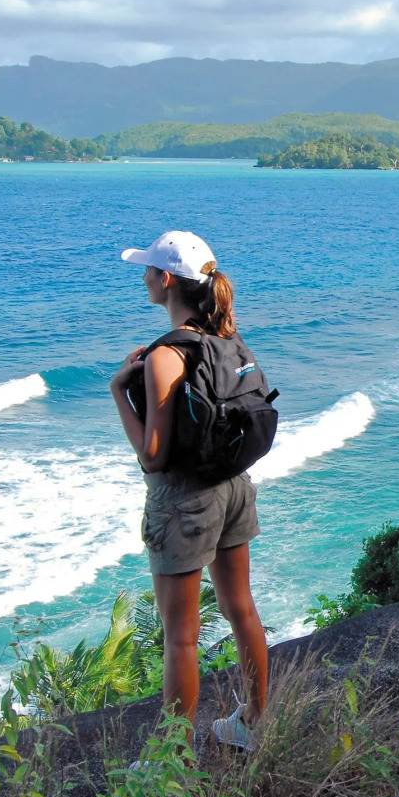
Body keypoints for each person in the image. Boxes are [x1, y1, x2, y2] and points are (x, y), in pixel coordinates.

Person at [110, 230, 266, 752]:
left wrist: (118, 393)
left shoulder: (164, 355)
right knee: (239, 606)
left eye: (149, 269)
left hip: (184, 501)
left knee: (180, 636)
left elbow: (153, 454)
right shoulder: (225, 336)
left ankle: (171, 758)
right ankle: (254, 724)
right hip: (233, 486)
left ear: (166, 280)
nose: (145, 277)